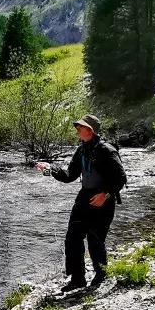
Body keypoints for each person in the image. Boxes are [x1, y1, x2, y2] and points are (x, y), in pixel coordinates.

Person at [36, 115, 127, 292]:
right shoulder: (81, 150)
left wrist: (105, 194)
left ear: (90, 130)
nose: (77, 129)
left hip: (103, 201)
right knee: (72, 238)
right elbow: (69, 176)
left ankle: (101, 275)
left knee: (95, 240)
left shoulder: (107, 150)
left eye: (80, 126)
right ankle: (77, 279)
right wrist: (49, 170)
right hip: (84, 198)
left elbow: (121, 178)